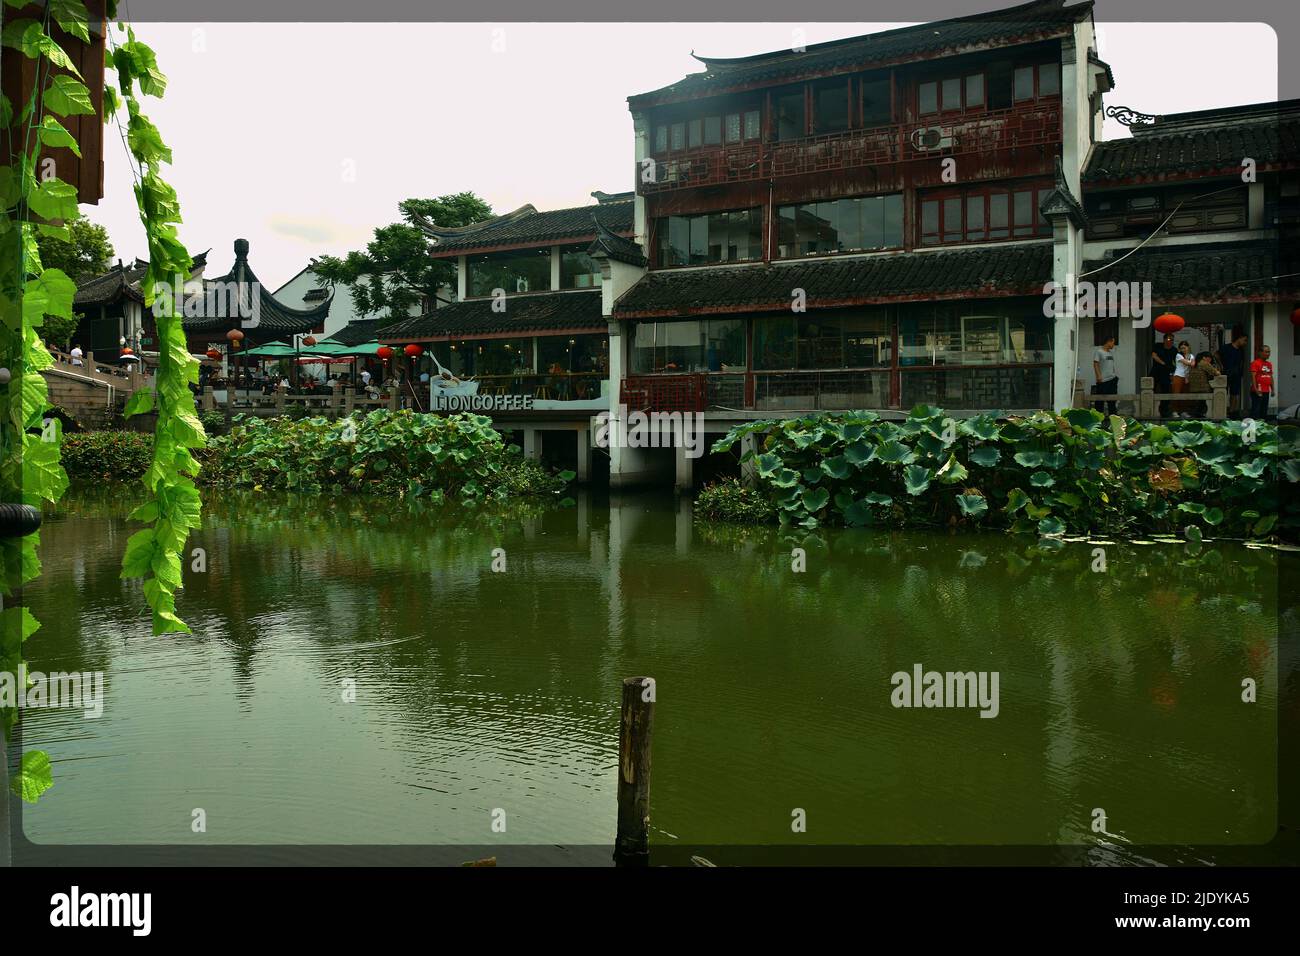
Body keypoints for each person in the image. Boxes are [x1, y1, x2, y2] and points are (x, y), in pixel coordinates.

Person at [1218, 330, 1248, 415]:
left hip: (1236, 374)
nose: (1245, 343)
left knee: (1235, 393)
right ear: (1239, 338)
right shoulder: (1226, 347)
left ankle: (1232, 411)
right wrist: (1220, 366)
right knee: (1223, 392)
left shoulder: (1241, 350)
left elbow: (1242, 362)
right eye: (1244, 340)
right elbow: (1216, 355)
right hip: (1226, 373)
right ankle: (1221, 411)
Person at [1150, 333, 1177, 417]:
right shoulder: (1158, 346)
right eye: (1169, 339)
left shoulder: (1174, 350)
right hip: (1156, 371)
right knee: (1151, 389)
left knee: (1166, 390)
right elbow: (1154, 355)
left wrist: (1173, 372)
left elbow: (1175, 361)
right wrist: (1162, 363)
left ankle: (1164, 410)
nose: (1170, 341)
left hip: (1166, 373)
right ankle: (1150, 408)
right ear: (1164, 339)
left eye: (1172, 339)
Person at [1091, 334, 1119, 415]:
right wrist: (1098, 376)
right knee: (1099, 402)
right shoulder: (1099, 352)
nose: (1114, 344)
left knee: (1112, 401)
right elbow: (1095, 364)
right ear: (1109, 342)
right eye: (1113, 342)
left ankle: (1113, 418)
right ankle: (1098, 420)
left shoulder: (1110, 353)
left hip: (1112, 379)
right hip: (1103, 380)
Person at [1186, 351, 1215, 419]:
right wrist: (1218, 372)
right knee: (1202, 403)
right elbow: (1214, 372)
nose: (1210, 360)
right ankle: (1199, 415)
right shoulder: (1204, 363)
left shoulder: (1195, 363)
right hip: (1203, 388)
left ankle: (1196, 414)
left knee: (1198, 403)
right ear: (1204, 358)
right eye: (1209, 358)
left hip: (1193, 388)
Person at [1248, 345, 1274, 420]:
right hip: (1257, 391)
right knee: (1256, 410)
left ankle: (1263, 426)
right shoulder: (1255, 363)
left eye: (1269, 352)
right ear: (1260, 353)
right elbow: (1253, 377)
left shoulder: (1269, 364)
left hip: (1266, 390)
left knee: (1264, 410)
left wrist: (1272, 389)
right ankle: (1253, 427)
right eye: (1266, 352)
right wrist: (1255, 389)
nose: (1268, 354)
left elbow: (1270, 377)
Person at [1172, 340, 1193, 417]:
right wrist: (1190, 362)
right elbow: (1188, 363)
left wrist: (1190, 362)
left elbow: (1192, 365)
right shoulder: (1178, 355)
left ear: (1188, 347)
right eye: (1181, 348)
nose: (1183, 349)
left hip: (1186, 377)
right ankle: (1175, 411)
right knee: (1176, 393)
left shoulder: (1191, 356)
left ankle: (1184, 411)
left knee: (1185, 394)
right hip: (1178, 376)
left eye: (1185, 348)